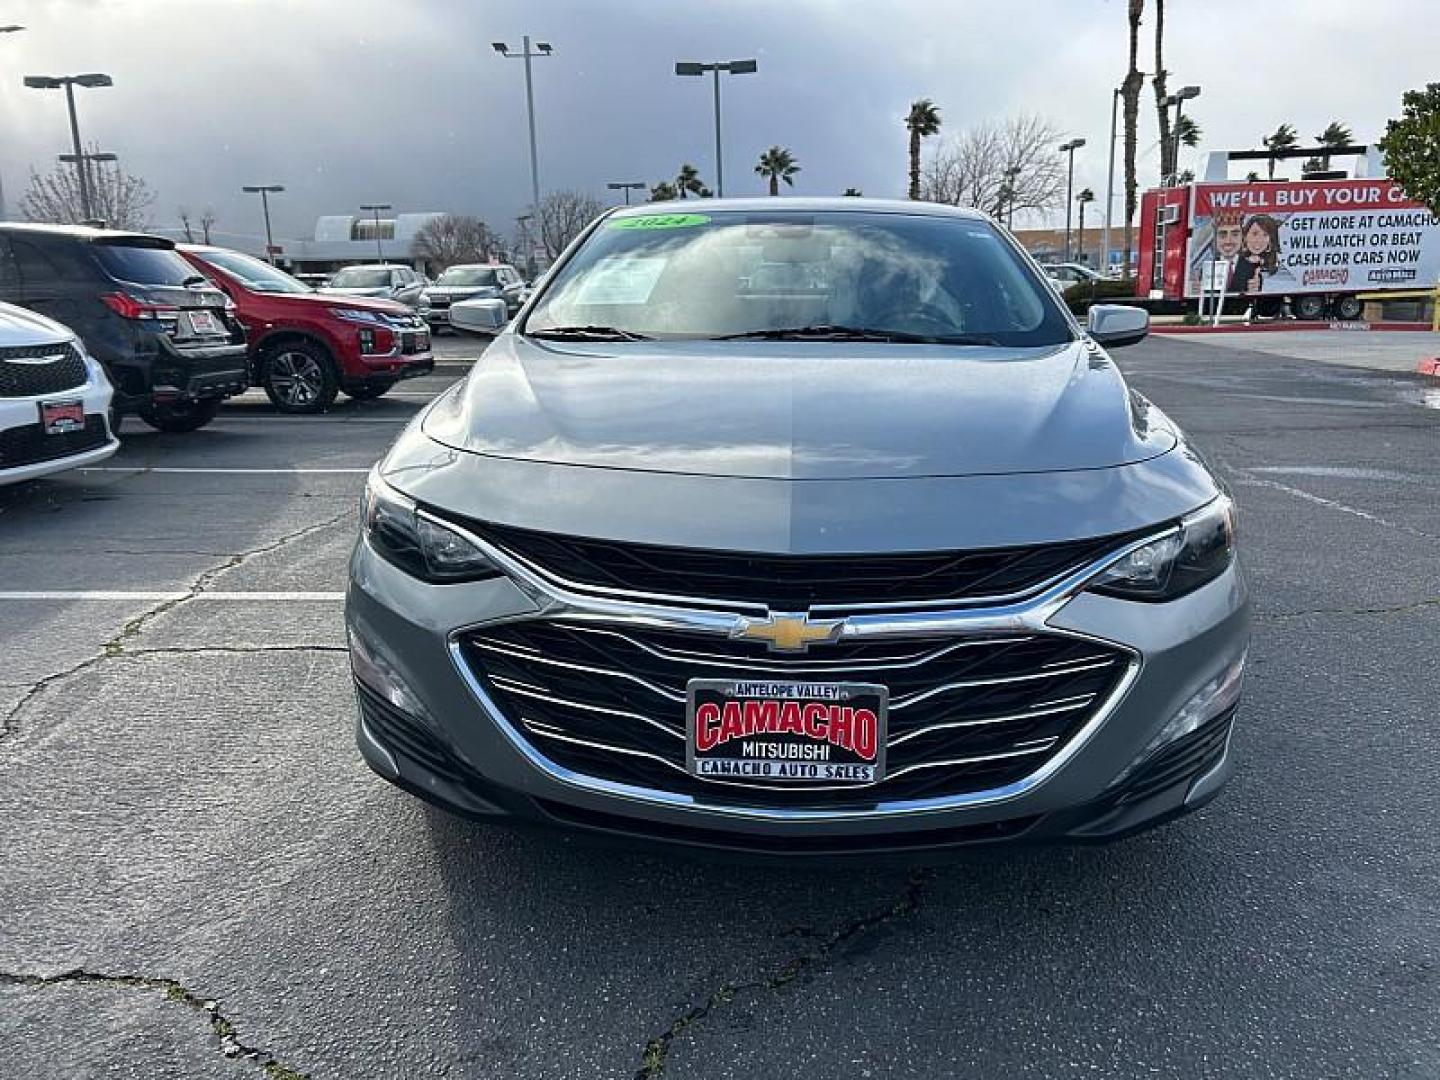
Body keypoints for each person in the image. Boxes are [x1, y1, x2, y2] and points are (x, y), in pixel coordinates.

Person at [1231, 214, 1281, 295]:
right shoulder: (1235, 264)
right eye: (1254, 234)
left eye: (1265, 235)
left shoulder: (1277, 267)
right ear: (1245, 236)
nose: (1259, 240)